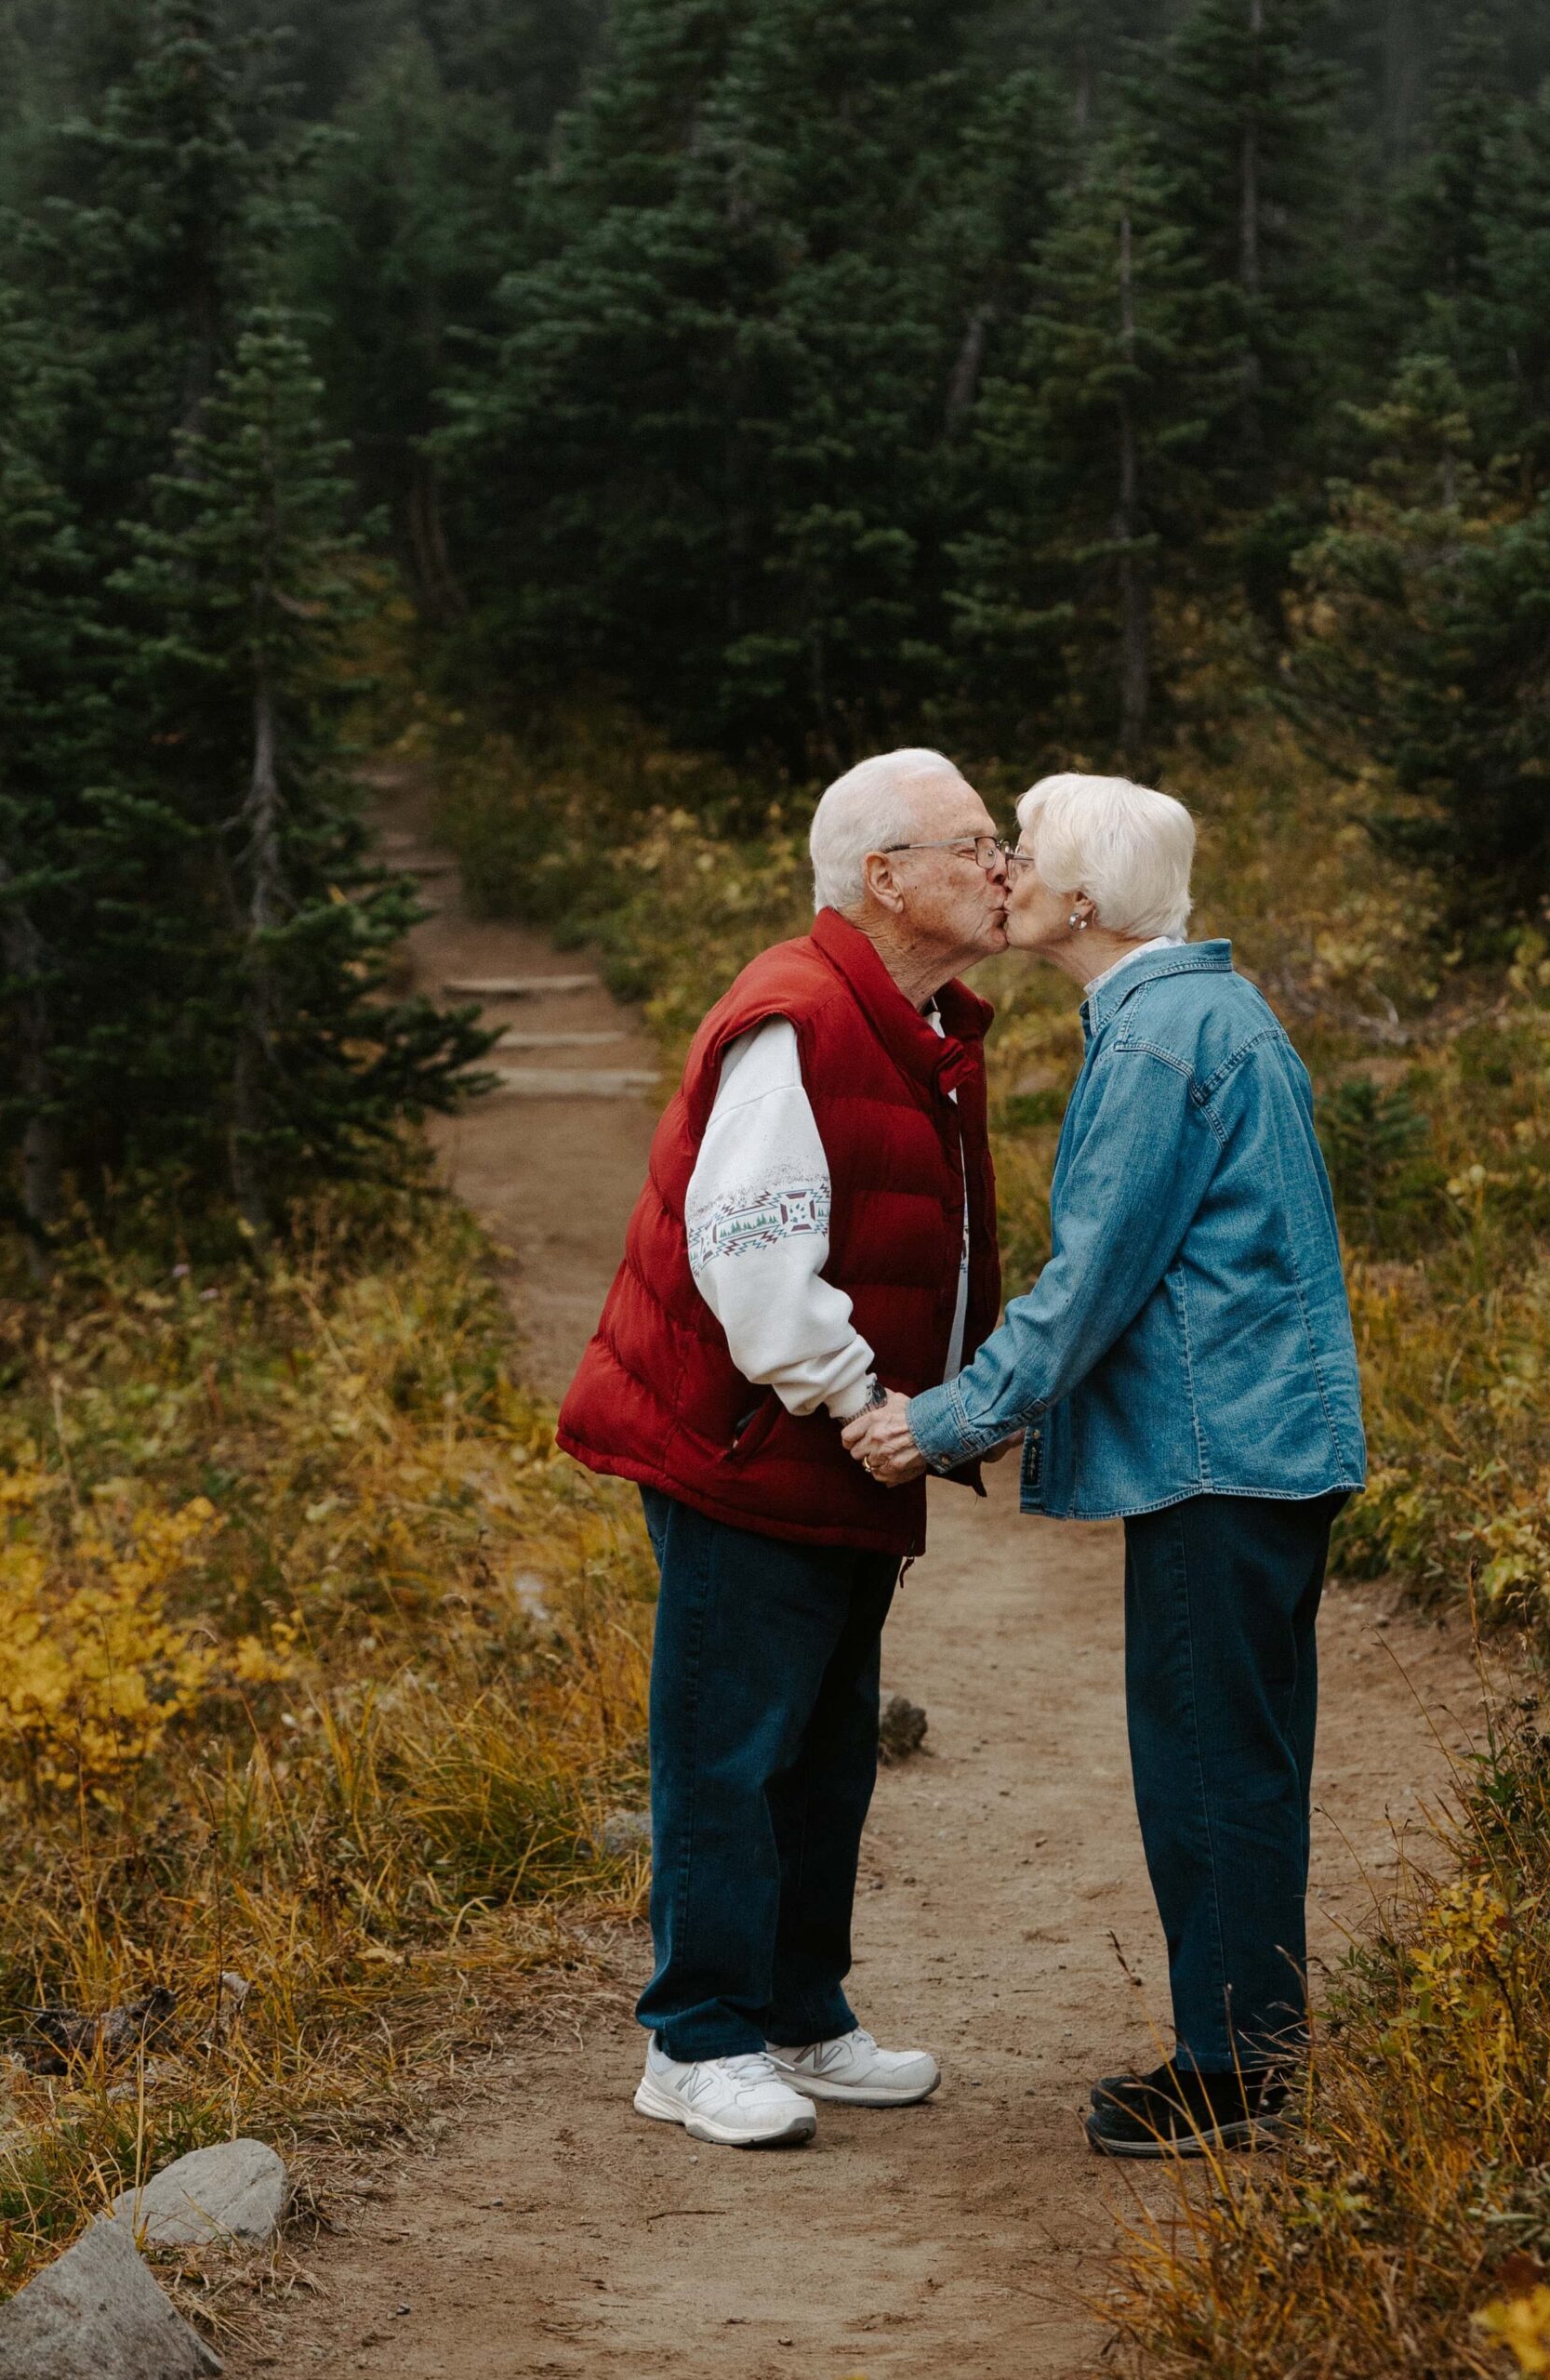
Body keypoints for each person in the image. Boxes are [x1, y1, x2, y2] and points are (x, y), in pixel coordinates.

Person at [845, 773, 1365, 2160]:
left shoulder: (1154, 1046)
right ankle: (1252, 2045)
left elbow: (1091, 1291)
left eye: (1029, 856)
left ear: (1084, 901)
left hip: (1223, 1459)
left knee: (1205, 1763)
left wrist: (942, 1418)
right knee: (1236, 1757)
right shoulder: (1201, 1011)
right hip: (1259, 1452)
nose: (1003, 871)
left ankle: (1234, 2074)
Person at [557, 747, 1010, 2149]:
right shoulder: (798, 1015)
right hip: (758, 1441)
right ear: (886, 878)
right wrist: (857, 1399)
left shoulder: (909, 1019)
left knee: (823, 1749)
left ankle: (801, 2019)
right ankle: (692, 2042)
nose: (1004, 868)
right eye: (975, 844)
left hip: (831, 1448)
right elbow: (749, 1250)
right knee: (727, 1745)